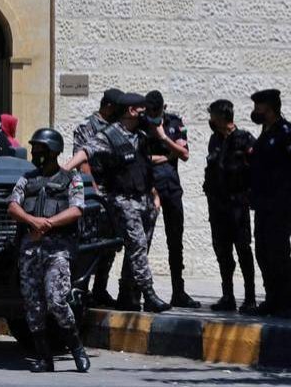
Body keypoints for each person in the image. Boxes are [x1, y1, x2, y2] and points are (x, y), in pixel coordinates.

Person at [63, 92, 171, 313]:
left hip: (145, 200)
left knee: (138, 249)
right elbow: (85, 152)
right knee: (137, 246)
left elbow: (144, 166)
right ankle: (149, 294)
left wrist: (154, 195)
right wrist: (62, 171)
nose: (145, 113)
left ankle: (128, 295)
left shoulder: (141, 134)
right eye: (141, 109)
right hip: (124, 200)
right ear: (131, 111)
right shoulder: (110, 135)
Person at [7, 128, 91, 373]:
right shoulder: (27, 179)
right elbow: (13, 206)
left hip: (57, 250)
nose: (35, 154)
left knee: (57, 301)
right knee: (33, 305)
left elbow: (76, 209)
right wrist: (32, 221)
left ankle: (77, 349)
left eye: (40, 150)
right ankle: (44, 358)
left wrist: (48, 224)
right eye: (34, 149)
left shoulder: (71, 179)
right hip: (30, 251)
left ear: (53, 152)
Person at [248, 89, 291, 319]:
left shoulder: (287, 132)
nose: (255, 110)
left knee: (278, 251)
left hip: (280, 203)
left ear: (270, 107)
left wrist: (284, 183)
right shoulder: (265, 133)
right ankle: (272, 299)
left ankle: (286, 302)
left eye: (258, 106)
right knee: (263, 251)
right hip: (263, 203)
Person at [143, 90, 199, 308]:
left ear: (163, 109)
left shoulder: (174, 123)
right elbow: (140, 158)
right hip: (149, 190)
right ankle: (137, 292)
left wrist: (163, 138)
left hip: (172, 189)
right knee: (142, 242)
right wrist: (166, 156)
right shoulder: (141, 125)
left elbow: (184, 154)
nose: (153, 115)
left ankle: (179, 292)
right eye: (150, 112)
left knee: (175, 242)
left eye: (156, 112)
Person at [202, 99, 258, 313]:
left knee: (243, 250)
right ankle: (228, 296)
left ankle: (250, 298)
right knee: (222, 252)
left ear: (222, 117)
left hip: (237, 206)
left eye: (213, 115)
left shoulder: (244, 139)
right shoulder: (215, 140)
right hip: (218, 206)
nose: (210, 119)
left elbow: (256, 169)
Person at [72, 87, 123, 307]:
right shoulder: (87, 127)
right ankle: (81, 288)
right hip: (95, 190)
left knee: (110, 243)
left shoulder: (117, 127)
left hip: (113, 190)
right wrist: (95, 191)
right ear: (109, 106)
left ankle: (100, 289)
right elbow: (82, 161)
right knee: (90, 240)